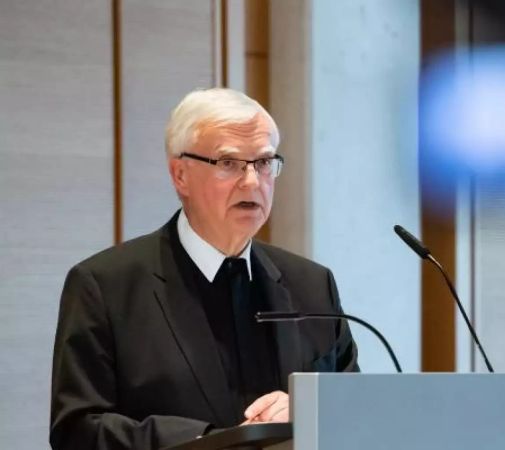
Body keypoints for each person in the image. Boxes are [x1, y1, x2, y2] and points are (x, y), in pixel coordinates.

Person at [50, 88, 359, 449]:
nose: (252, 182)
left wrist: (309, 410)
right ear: (180, 174)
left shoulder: (312, 284)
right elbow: (77, 430)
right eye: (228, 164)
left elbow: (353, 409)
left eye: (263, 162)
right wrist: (206, 442)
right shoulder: (104, 287)